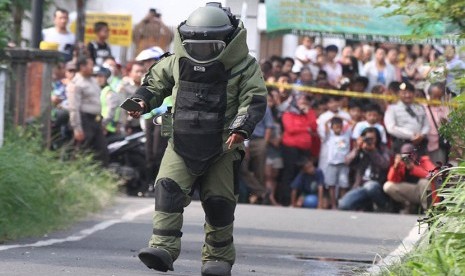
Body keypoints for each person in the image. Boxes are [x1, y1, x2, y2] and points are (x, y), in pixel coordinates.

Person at [127, 3, 267, 275]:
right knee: (167, 190)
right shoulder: (176, 60)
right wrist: (140, 101)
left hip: (224, 145)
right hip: (180, 141)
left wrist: (241, 127)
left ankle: (218, 258)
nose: (201, 52)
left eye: (210, 47)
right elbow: (155, 83)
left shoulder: (244, 66)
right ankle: (162, 248)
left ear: (228, 41)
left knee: (219, 203)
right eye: (196, 45)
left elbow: (253, 100)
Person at [66, 57, 109, 166]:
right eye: (90, 65)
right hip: (84, 120)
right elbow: (73, 107)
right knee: (82, 150)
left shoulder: (93, 81)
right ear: (82, 67)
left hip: (96, 120)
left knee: (102, 151)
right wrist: (77, 128)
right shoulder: (76, 83)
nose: (92, 68)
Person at [338, 127, 391, 211]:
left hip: (377, 186)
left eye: (372, 139)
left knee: (371, 186)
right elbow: (347, 162)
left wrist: (373, 151)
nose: (369, 141)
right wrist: (357, 149)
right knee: (343, 205)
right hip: (360, 186)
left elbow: (385, 164)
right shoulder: (360, 149)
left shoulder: (383, 149)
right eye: (367, 138)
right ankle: (366, 205)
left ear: (377, 139)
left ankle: (384, 206)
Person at [383, 143, 436, 212]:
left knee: (424, 182)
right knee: (387, 186)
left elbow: (433, 174)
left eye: (410, 155)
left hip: (423, 191)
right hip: (411, 191)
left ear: (415, 154)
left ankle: (429, 210)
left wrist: (414, 168)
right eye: (405, 155)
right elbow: (392, 179)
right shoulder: (401, 163)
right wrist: (395, 167)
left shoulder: (423, 160)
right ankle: (408, 205)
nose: (408, 158)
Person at [384, 81, 429, 155]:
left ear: (414, 93)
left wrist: (422, 135)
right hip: (402, 143)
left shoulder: (420, 107)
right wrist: (412, 135)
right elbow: (391, 128)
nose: (407, 95)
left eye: (410, 92)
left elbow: (426, 124)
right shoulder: (392, 108)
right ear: (399, 93)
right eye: (404, 93)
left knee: (422, 165)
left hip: (420, 143)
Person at [323, 116, 351, 208]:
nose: (338, 128)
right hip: (332, 164)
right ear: (332, 127)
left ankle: (343, 204)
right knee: (332, 185)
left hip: (343, 164)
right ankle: (333, 204)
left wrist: (341, 117)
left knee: (343, 185)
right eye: (335, 126)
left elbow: (352, 123)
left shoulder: (346, 135)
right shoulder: (329, 136)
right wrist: (332, 118)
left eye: (339, 126)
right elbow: (325, 124)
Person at [424, 83, 450, 164]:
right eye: (434, 96)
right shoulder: (423, 108)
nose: (437, 99)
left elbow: (449, 124)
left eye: (440, 97)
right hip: (425, 144)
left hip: (439, 145)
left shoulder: (444, 108)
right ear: (429, 95)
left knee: (438, 170)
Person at [94, 66, 121, 138]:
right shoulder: (99, 90)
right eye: (96, 76)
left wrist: (102, 125)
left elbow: (111, 112)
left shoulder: (109, 92)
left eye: (101, 76)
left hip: (108, 129)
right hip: (100, 126)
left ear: (106, 78)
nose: (98, 79)